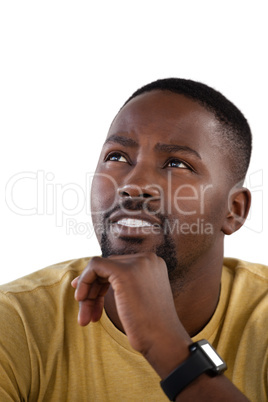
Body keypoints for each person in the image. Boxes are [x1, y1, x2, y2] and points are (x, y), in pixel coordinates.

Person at [0, 78, 267, 401]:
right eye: (117, 157)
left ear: (233, 210)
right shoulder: (15, 320)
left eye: (176, 163)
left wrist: (168, 348)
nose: (133, 183)